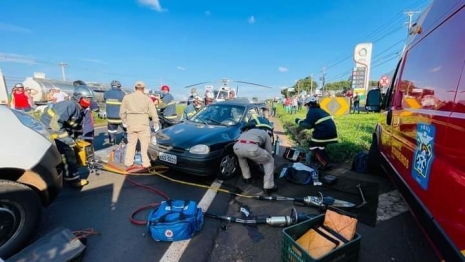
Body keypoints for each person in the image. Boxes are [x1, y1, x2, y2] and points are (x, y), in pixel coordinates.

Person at [40, 85, 95, 188]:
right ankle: (73, 180)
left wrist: (78, 139)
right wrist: (68, 140)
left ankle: (65, 173)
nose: (89, 101)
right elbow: (55, 124)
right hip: (50, 130)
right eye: (87, 99)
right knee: (68, 153)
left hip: (58, 130)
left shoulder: (81, 110)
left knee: (69, 150)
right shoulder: (70, 105)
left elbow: (77, 127)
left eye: (90, 99)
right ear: (78, 98)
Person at [120, 81, 159, 170]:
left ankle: (128, 162)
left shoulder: (127, 97)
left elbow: (122, 112)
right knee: (145, 144)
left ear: (134, 88)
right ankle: (145, 163)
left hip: (131, 123)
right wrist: (156, 123)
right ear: (144, 89)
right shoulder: (147, 98)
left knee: (131, 144)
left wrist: (124, 121)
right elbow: (153, 112)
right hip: (143, 124)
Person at [233, 120, 277, 195]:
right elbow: (268, 150)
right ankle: (269, 186)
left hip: (236, 147)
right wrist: (266, 158)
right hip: (251, 148)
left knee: (242, 159)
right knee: (269, 161)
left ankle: (247, 178)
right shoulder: (264, 133)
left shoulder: (245, 132)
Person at [295, 96, 338, 170]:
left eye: (306, 105)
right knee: (321, 147)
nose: (306, 107)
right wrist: (303, 121)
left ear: (310, 105)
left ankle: (326, 164)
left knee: (313, 146)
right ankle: (324, 161)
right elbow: (311, 121)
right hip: (332, 133)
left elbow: (308, 125)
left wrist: (298, 121)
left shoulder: (311, 111)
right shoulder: (320, 110)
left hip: (323, 133)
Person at [103, 80, 126, 145]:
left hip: (110, 118)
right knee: (126, 129)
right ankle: (123, 140)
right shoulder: (123, 94)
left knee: (111, 131)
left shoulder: (106, 93)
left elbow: (105, 100)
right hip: (120, 118)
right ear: (119, 86)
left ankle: (112, 141)